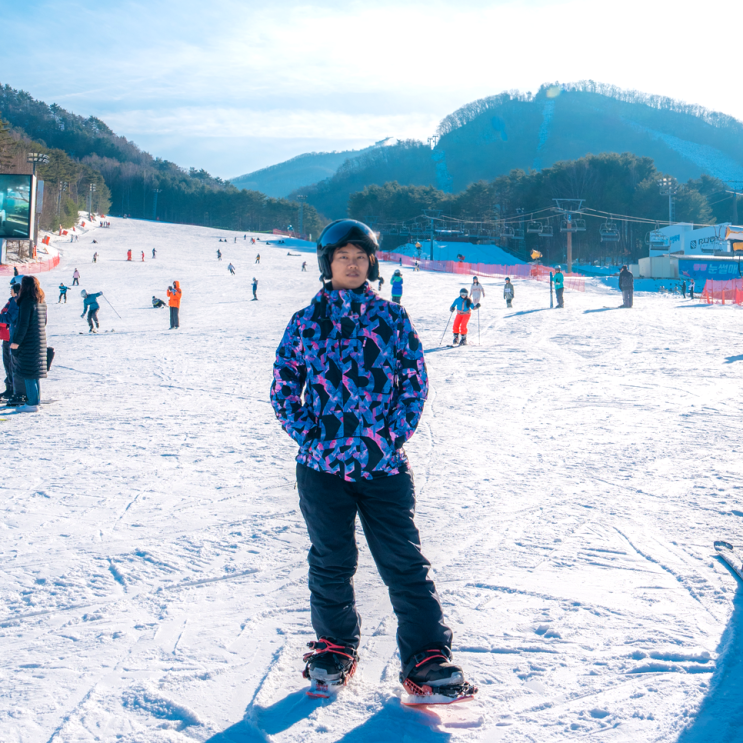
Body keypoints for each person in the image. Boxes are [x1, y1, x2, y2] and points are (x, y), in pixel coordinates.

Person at [270, 218, 474, 701]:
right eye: (343, 257)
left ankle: (426, 659)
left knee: (404, 560)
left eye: (360, 257)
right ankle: (334, 648)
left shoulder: (391, 318)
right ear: (327, 264)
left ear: (371, 264)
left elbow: (414, 383)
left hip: (382, 466)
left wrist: (389, 438)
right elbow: (284, 387)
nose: (352, 264)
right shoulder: (305, 321)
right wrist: (312, 438)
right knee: (331, 560)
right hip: (322, 469)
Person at [10, 276, 48, 412]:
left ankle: (32, 404)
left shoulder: (26, 302)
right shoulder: (41, 301)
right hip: (39, 341)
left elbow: (23, 325)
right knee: (34, 373)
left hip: (28, 342)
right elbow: (44, 322)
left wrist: (16, 342)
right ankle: (35, 401)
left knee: (28, 373)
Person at [1, 284, 25, 405]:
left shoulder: (16, 302)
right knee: (8, 364)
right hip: (7, 337)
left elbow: (9, 318)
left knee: (12, 364)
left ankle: (14, 389)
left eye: (11, 289)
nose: (10, 291)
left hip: (12, 338)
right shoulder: (11, 301)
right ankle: (10, 388)